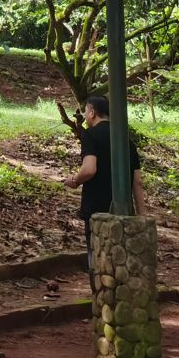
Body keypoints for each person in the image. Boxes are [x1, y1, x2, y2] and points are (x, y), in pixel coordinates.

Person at [61, 93, 144, 266]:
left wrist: (75, 180)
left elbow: (89, 169)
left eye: (85, 112)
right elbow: (138, 182)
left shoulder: (90, 135)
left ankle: (98, 288)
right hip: (123, 210)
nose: (84, 116)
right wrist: (141, 215)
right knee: (119, 259)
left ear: (92, 112)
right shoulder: (126, 141)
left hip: (96, 208)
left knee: (97, 255)